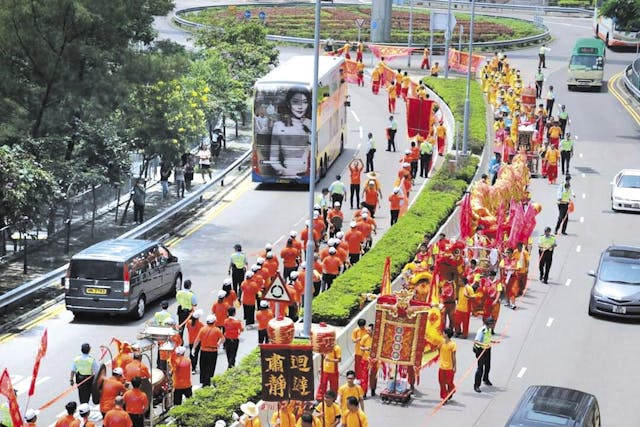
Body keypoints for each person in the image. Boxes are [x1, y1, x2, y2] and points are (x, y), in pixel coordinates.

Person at [269, 87, 312, 178]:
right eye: (295, 102)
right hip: (288, 174)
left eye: (304, 102)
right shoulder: (278, 126)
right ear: (289, 104)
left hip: (309, 174)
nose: (300, 107)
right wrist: (285, 171)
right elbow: (273, 160)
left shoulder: (312, 124)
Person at [193, 314, 224, 387]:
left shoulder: (203, 329)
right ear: (214, 321)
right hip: (213, 351)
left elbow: (197, 340)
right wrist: (218, 344)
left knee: (203, 367)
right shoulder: (217, 330)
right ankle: (208, 382)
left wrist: (194, 348)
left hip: (204, 351)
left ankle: (204, 382)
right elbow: (223, 339)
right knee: (210, 367)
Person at [473, 317, 496, 393]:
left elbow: (487, 338)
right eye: (493, 324)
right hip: (480, 350)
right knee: (480, 368)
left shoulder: (489, 329)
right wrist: (484, 345)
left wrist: (492, 341)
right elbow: (476, 341)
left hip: (487, 349)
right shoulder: (482, 331)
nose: (494, 325)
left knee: (488, 365)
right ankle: (476, 385)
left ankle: (485, 379)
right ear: (489, 324)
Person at [438, 328, 457, 404]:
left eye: (443, 333)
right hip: (442, 367)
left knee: (449, 382)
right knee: (441, 383)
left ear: (446, 334)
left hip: (449, 367)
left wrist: (454, 366)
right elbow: (438, 350)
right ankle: (444, 398)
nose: (442, 334)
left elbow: (454, 356)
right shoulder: (441, 342)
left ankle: (452, 390)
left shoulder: (453, 345)